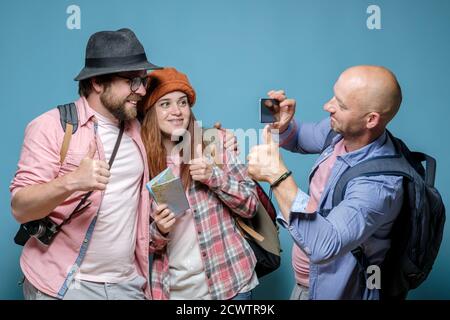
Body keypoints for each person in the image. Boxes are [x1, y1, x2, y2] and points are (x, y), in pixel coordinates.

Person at [10, 28, 162, 300]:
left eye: (144, 81)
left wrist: (217, 141)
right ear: (98, 83)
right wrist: (72, 181)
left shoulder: (138, 130)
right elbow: (20, 208)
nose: (140, 91)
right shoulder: (51, 126)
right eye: (132, 80)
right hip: (66, 284)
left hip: (128, 285)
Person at [247, 65, 405, 300]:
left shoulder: (379, 186)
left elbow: (325, 246)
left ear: (371, 119)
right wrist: (283, 126)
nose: (328, 106)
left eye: (341, 105)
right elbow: (302, 137)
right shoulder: (343, 132)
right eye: (334, 96)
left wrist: (277, 176)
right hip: (306, 284)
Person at [139, 67, 259, 300]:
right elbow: (138, 242)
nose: (176, 111)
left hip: (231, 282)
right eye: (165, 104)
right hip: (173, 291)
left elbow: (251, 205)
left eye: (182, 103)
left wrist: (213, 176)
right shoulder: (140, 162)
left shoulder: (213, 143)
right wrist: (159, 230)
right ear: (150, 111)